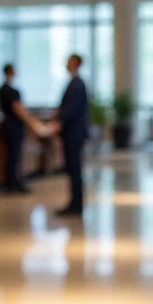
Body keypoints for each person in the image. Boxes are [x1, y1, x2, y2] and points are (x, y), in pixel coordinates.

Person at [0, 63, 43, 193]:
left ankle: (11, 182)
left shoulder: (1, 89)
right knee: (14, 155)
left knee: (12, 155)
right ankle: (13, 183)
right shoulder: (11, 91)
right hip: (13, 126)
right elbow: (18, 109)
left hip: (7, 125)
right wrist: (32, 121)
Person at [53, 54, 89, 217]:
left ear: (74, 63)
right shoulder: (75, 83)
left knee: (75, 168)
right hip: (72, 133)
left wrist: (59, 122)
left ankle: (76, 204)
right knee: (73, 169)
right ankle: (75, 202)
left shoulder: (77, 84)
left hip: (74, 133)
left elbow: (70, 110)